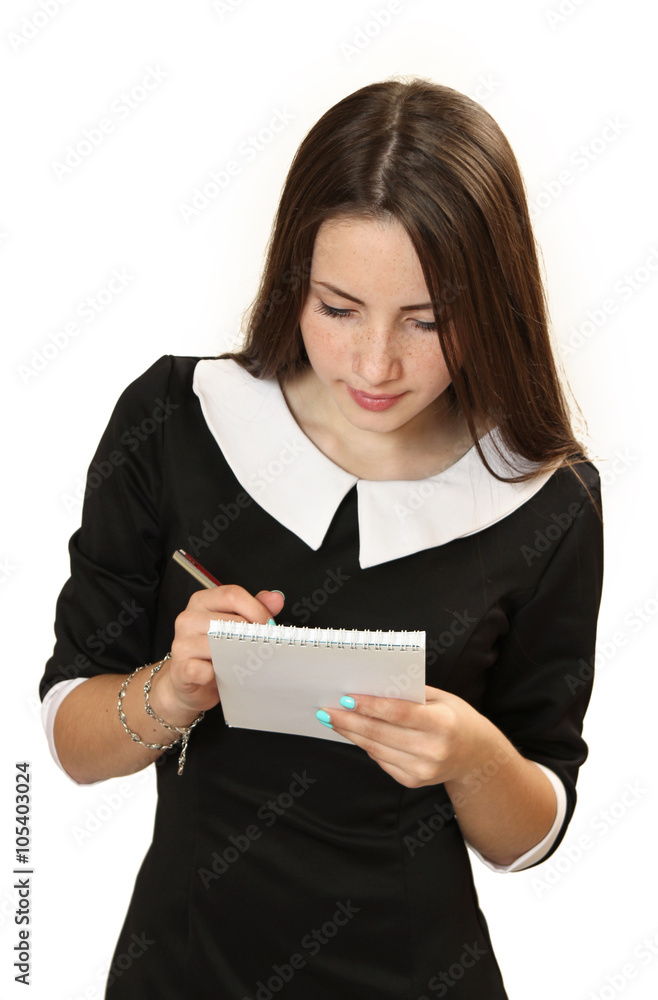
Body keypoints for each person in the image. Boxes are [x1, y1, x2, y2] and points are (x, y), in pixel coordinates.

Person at [39, 77, 604, 999]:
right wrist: (174, 690)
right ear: (290, 279)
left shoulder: (547, 501)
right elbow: (69, 737)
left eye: (427, 321)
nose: (376, 365)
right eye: (338, 309)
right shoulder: (177, 420)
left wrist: (470, 754)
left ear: (496, 302)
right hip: (184, 967)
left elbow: (533, 830)